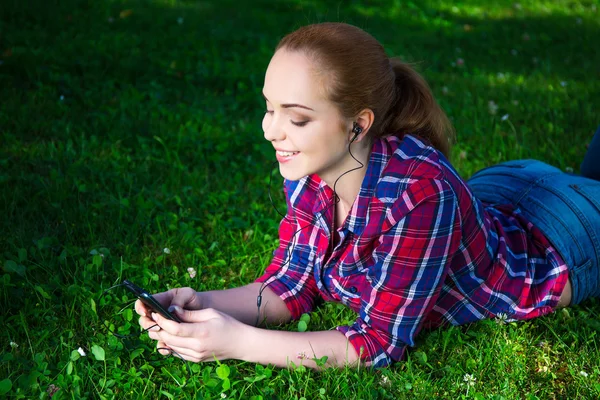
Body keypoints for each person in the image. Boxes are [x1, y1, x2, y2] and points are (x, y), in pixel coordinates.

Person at [136, 22, 600, 369]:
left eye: (295, 118)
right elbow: (294, 284)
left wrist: (237, 343)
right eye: (268, 107)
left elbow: (379, 342)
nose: (269, 131)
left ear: (358, 124)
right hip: (504, 187)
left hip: (567, 235)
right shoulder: (308, 167)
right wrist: (199, 305)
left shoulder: (423, 195)